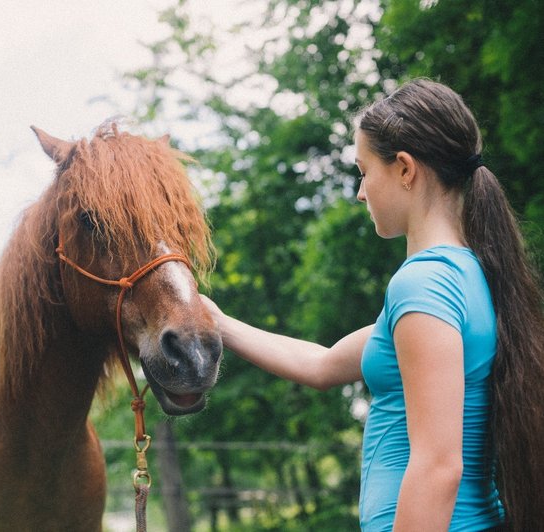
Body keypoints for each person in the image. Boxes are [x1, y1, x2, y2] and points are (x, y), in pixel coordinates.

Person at [202, 78, 544, 531]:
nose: (360, 192)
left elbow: (438, 466)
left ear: (404, 169)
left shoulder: (424, 286)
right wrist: (216, 320)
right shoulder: (465, 275)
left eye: (364, 172)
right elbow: (323, 365)